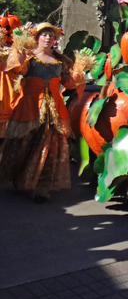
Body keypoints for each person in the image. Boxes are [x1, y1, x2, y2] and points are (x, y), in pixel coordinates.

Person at [0, 23, 93, 202]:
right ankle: (20, 176)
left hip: (53, 108)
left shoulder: (61, 60)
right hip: (30, 106)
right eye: (44, 34)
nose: (48, 38)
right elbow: (14, 69)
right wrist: (19, 45)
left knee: (48, 144)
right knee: (24, 144)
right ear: (37, 37)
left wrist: (80, 68)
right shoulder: (28, 56)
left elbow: (69, 84)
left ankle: (40, 186)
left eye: (51, 35)